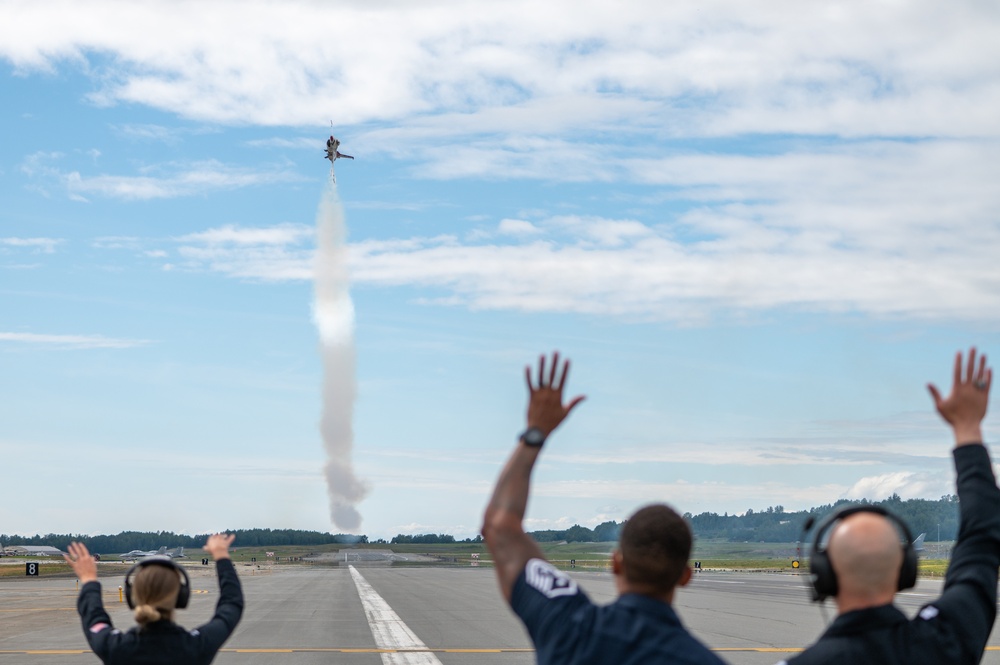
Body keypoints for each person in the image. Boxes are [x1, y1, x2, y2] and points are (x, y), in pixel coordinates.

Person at [482, 351, 724, 665]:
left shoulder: (569, 625)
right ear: (686, 576)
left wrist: (535, 434)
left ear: (616, 563)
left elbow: (500, 526)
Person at [782, 348, 999, 664]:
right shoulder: (943, 643)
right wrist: (967, 428)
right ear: (906, 570)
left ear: (824, 576)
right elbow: (981, 540)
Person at [63, 533, 243, 665]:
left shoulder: (115, 647)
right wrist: (222, 557)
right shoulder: (197, 646)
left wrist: (89, 580)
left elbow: (93, 616)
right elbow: (231, 605)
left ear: (132, 597)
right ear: (181, 596)